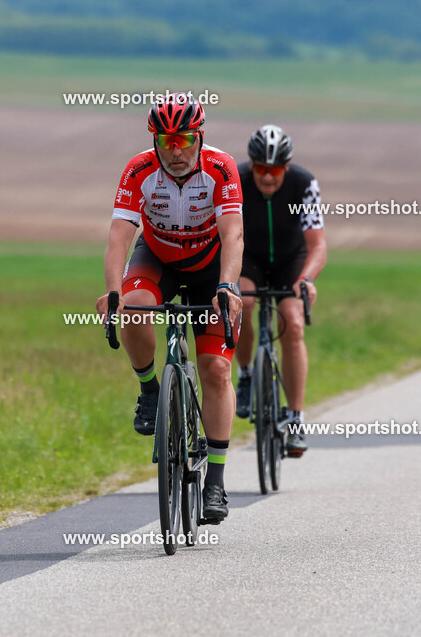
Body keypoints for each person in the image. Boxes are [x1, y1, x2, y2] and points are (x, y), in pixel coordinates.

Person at [97, 92, 243, 523]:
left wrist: (228, 285)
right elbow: (119, 236)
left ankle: (215, 482)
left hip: (209, 263)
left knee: (216, 369)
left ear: (199, 136)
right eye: (166, 141)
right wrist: (112, 291)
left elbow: (233, 233)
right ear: (155, 140)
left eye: (183, 140)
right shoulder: (139, 169)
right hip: (157, 257)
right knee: (134, 306)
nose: (175, 151)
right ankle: (149, 389)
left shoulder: (221, 167)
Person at [234, 125, 327, 457]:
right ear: (251, 164)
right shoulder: (236, 180)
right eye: (260, 168)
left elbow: (318, 244)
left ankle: (296, 416)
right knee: (243, 302)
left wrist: (307, 279)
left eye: (274, 170)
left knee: (293, 321)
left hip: (291, 259)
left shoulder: (304, 184)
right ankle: (245, 373)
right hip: (249, 258)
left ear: (286, 167)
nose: (267, 177)